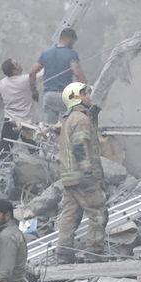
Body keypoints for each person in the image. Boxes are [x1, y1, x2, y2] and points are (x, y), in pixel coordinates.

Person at [56, 82, 108, 262]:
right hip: (83, 177)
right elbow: (80, 145)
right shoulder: (81, 119)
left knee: (70, 215)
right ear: (76, 97)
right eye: (85, 94)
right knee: (98, 212)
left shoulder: (69, 119)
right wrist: (88, 171)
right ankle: (94, 252)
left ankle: (63, 253)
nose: (89, 97)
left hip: (69, 178)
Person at [30, 28, 86, 124]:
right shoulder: (71, 54)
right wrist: (84, 90)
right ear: (70, 39)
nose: (73, 45)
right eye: (73, 42)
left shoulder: (46, 53)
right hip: (65, 96)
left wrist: (34, 91)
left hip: (49, 96)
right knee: (71, 124)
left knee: (50, 129)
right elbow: (77, 73)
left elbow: (32, 72)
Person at [0, 58, 34, 126]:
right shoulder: (26, 79)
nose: (19, 64)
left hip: (8, 122)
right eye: (16, 64)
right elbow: (42, 74)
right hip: (26, 123)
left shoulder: (1, 84)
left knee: (6, 137)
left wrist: (9, 107)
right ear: (14, 71)